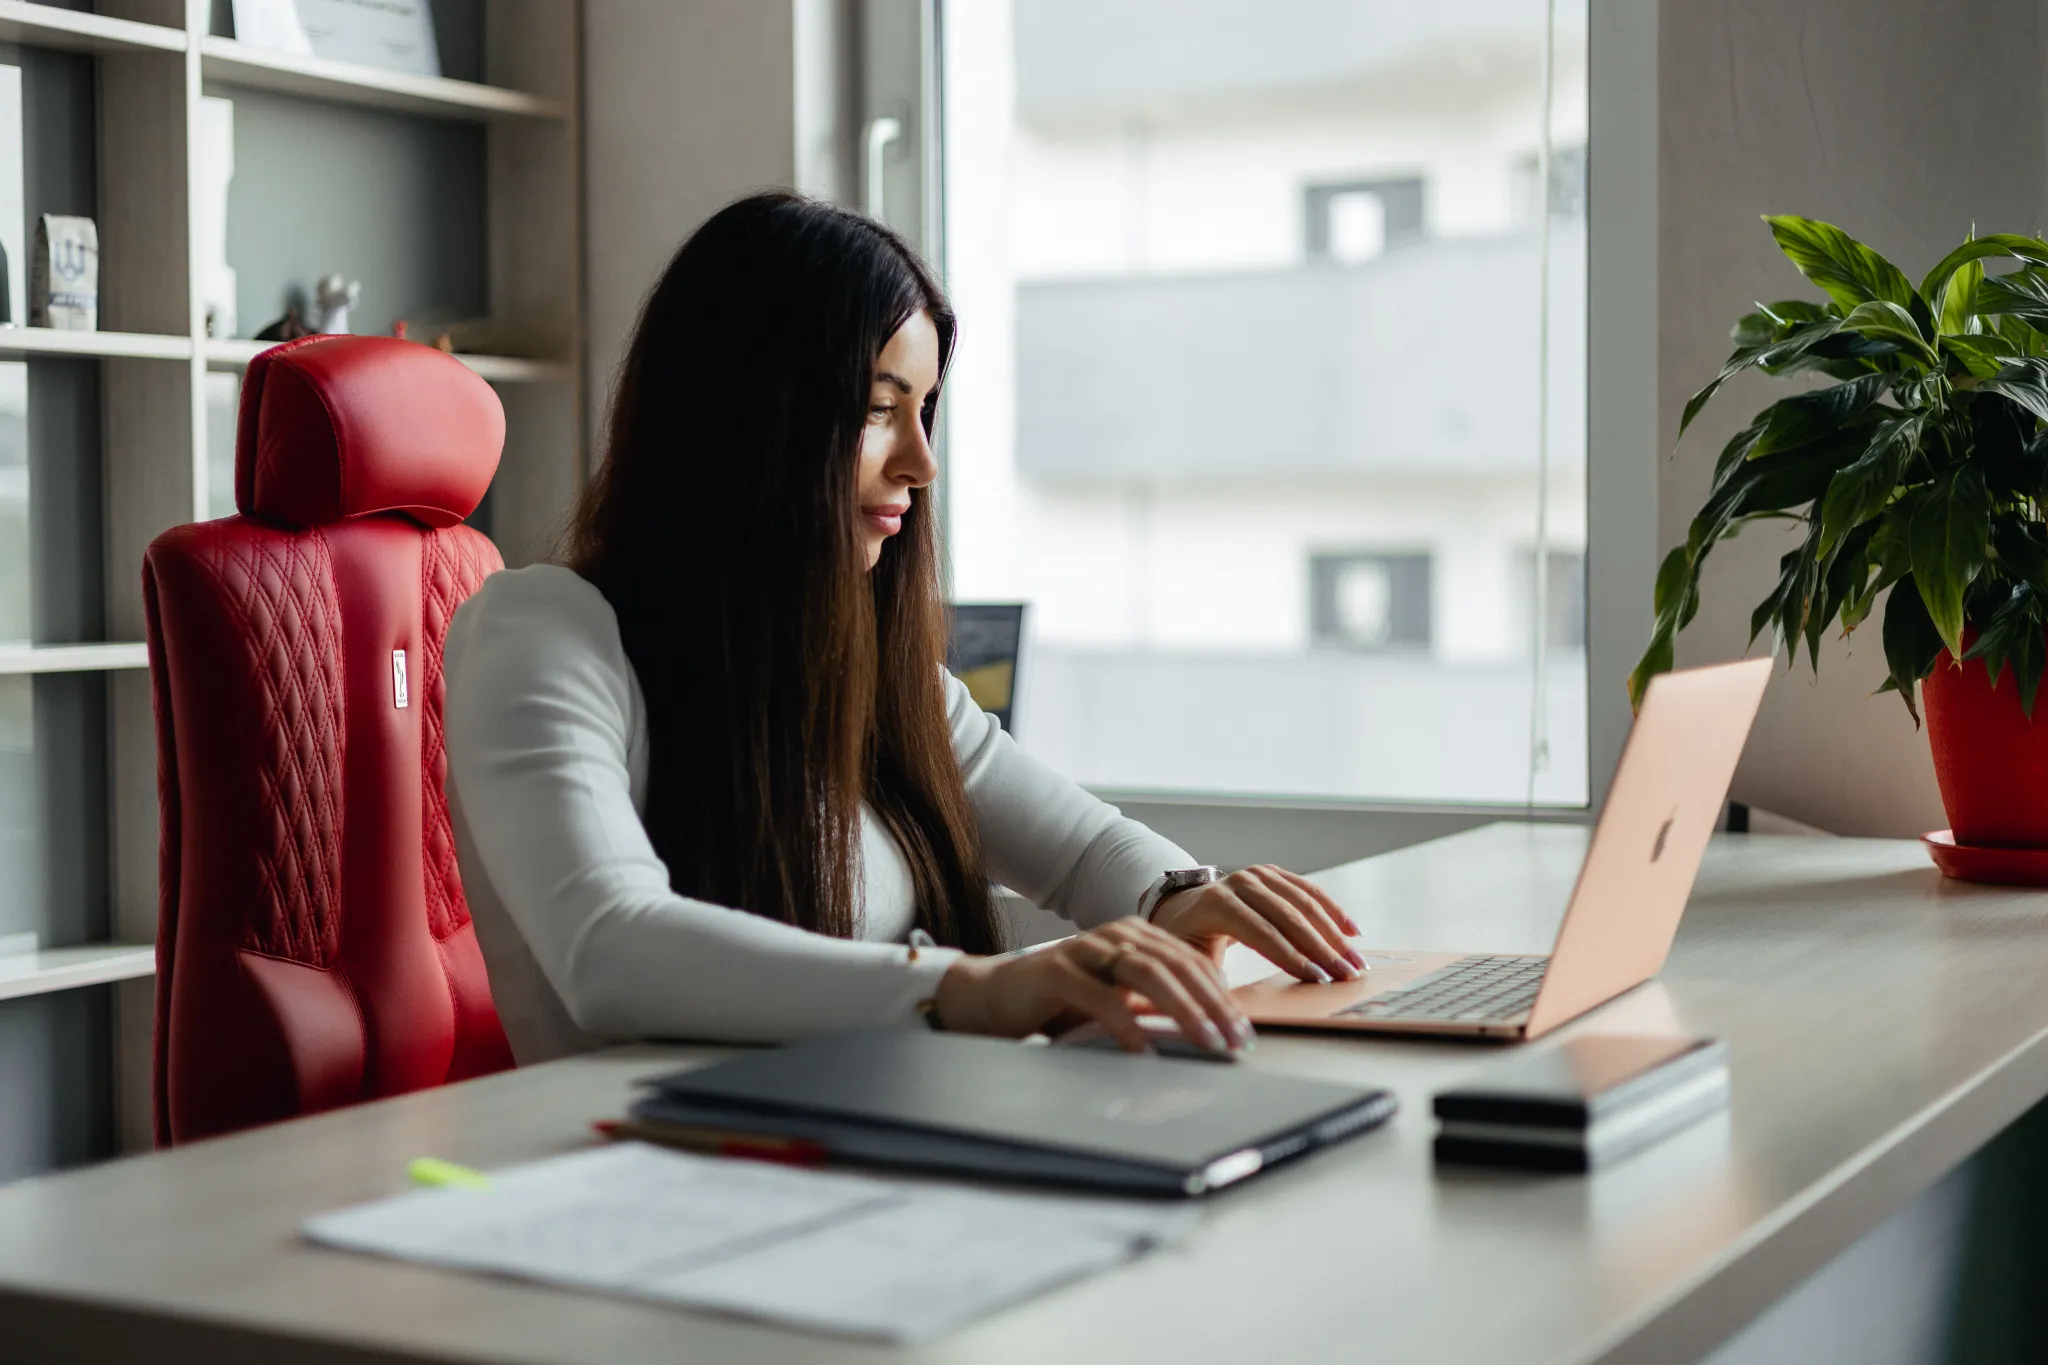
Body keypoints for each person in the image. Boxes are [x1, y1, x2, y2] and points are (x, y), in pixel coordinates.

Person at [443, 192, 1365, 1066]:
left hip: (874, 1142)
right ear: (749, 421)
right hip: (662, 1177)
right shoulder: (541, 634)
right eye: (881, 410)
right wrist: (970, 988)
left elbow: (1083, 850)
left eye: (923, 411)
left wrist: (1182, 898)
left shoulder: (870, 666)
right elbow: (611, 948)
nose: (920, 461)